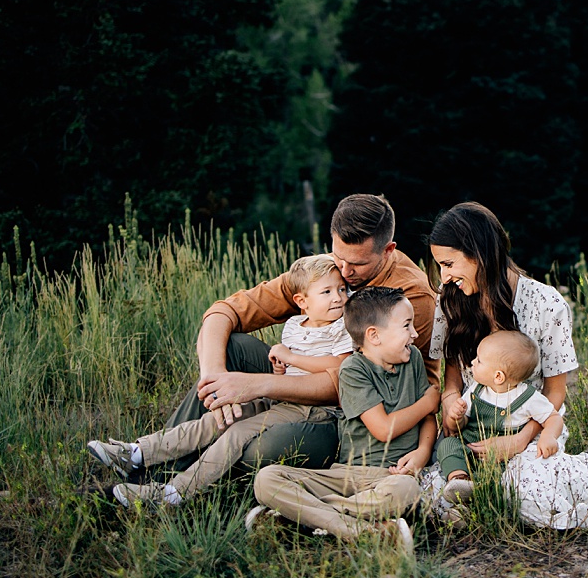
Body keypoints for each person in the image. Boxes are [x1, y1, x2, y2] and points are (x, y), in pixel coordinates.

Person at [158, 193, 435, 476]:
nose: (345, 271)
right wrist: (217, 379)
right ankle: (156, 475)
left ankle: (200, 479)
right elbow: (225, 311)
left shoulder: (411, 299)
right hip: (295, 381)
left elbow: (355, 384)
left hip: (346, 417)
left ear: (388, 250)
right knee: (231, 348)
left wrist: (257, 385)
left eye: (358, 264)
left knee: (259, 450)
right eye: (338, 257)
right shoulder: (329, 270)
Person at [87, 255, 352, 507]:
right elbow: (229, 314)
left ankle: (176, 492)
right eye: (327, 292)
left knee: (237, 433)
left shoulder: (343, 326)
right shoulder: (295, 325)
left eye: (341, 290)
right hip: (283, 400)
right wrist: (280, 367)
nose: (338, 298)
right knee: (214, 421)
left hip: (316, 411)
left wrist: (291, 358)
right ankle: (137, 453)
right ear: (301, 301)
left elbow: (339, 366)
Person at [428, 202, 588, 498]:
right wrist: (450, 403)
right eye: (439, 266)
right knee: (437, 491)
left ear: (480, 254)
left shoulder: (546, 303)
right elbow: (453, 378)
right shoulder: (450, 299)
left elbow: (555, 393)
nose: (444, 277)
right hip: (474, 427)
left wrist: (521, 439)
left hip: (530, 424)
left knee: (524, 491)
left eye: (449, 264)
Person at [246, 285, 437, 546]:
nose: (415, 334)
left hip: (392, 477)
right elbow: (383, 428)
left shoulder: (412, 357)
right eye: (407, 326)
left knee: (406, 490)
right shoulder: (353, 370)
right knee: (268, 479)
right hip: (347, 475)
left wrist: (423, 452)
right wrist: (428, 403)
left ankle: (301, 518)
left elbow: (429, 419)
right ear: (374, 335)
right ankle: (362, 530)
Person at [428, 327, 588, 531]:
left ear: (498, 376)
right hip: (470, 447)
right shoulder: (476, 390)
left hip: (502, 457)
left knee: (504, 479)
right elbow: (457, 429)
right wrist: (456, 417)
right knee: (449, 444)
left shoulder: (528, 398)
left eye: (478, 360)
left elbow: (553, 418)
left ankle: (476, 499)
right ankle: (459, 479)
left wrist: (548, 437)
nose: (472, 363)